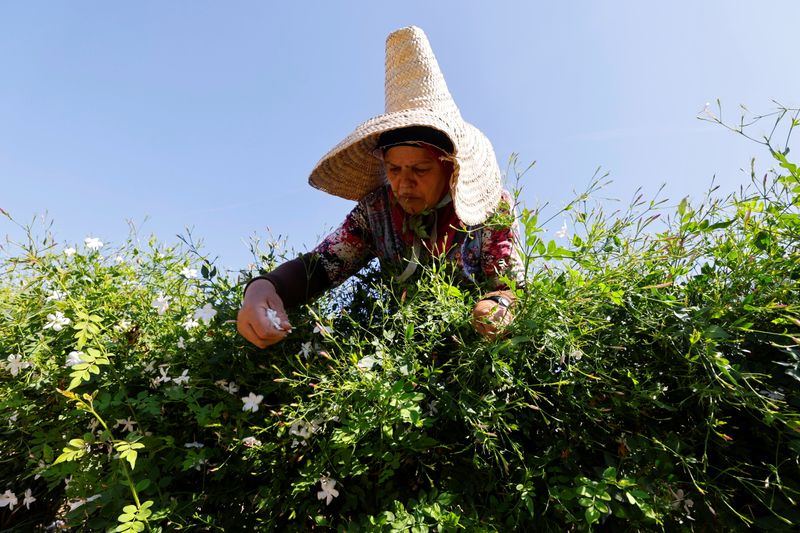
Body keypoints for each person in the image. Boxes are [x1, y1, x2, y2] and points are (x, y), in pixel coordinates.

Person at [237, 26, 524, 349]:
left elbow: (510, 288)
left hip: (477, 355)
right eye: (394, 169)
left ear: (450, 166)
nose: (403, 183)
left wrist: (496, 307)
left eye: (420, 169)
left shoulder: (491, 209)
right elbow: (322, 266)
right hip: (405, 352)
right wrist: (264, 288)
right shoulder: (376, 213)